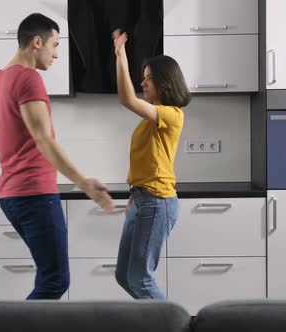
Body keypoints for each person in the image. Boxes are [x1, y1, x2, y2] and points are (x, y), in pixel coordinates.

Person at [0, 13, 114, 300]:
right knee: (55, 281)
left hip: (11, 195)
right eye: (55, 45)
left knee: (48, 277)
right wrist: (84, 182)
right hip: (34, 193)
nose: (56, 54)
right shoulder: (28, 78)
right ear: (36, 42)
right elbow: (42, 138)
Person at [112, 29, 191, 299]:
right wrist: (134, 194)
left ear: (165, 82)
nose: (143, 83)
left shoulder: (172, 115)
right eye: (142, 78)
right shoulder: (150, 120)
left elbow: (126, 99)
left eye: (149, 78)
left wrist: (120, 55)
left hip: (158, 201)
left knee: (140, 279)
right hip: (142, 199)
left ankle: (173, 323)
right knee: (125, 276)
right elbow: (147, 160)